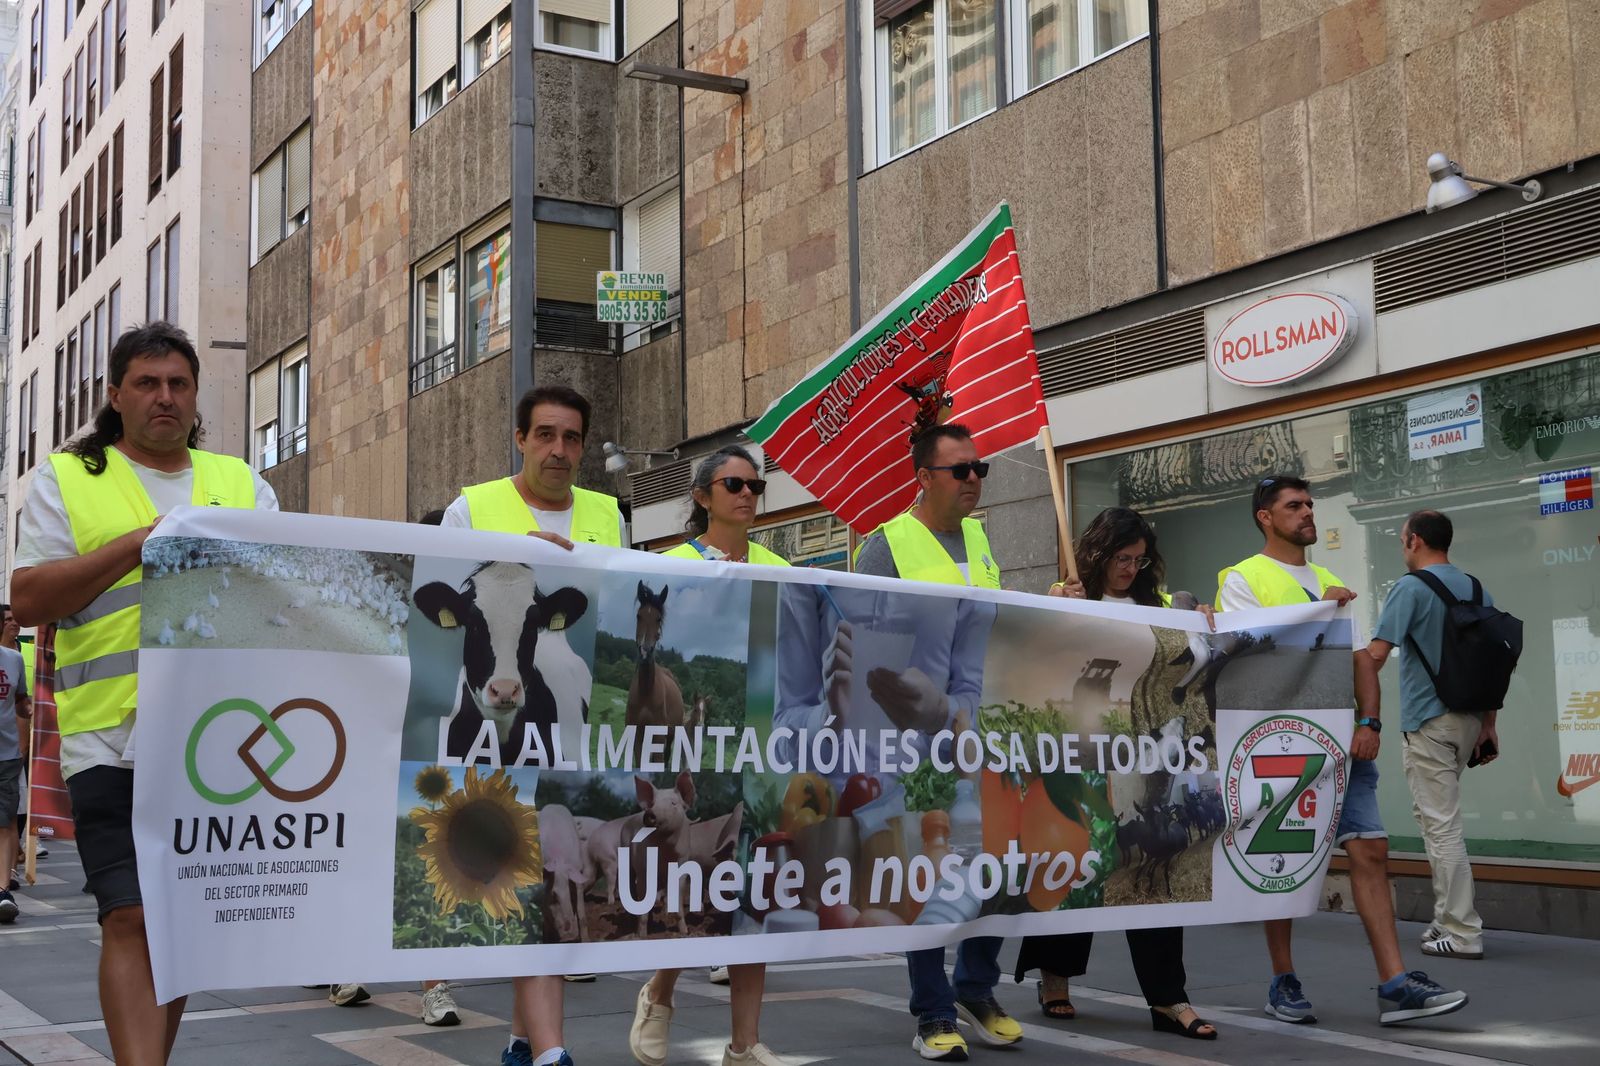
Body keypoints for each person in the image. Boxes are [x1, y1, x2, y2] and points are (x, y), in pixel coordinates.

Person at [9, 323, 278, 1065]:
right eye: (148, 383)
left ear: (196, 396)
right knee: (127, 914)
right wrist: (138, 543)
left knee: (176, 919)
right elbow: (27, 599)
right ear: (115, 396)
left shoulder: (242, 484)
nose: (165, 397)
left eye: (179, 384)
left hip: (215, 741)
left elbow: (295, 587)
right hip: (109, 739)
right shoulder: (66, 479)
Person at [1216, 476, 1467, 1026]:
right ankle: (1283, 980)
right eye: (1294, 506)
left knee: (1371, 851)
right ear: (1265, 516)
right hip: (1277, 748)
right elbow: (1243, 657)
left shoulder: (1330, 578)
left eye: (1309, 504)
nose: (1308, 512)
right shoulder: (1242, 578)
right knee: (1277, 864)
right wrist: (1315, 614)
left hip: (1342, 745)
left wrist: (1371, 720)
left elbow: (1361, 661)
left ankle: (1395, 984)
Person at [441, 384, 623, 1066]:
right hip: (494, 721)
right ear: (519, 438)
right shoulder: (472, 508)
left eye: (572, 437)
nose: (559, 450)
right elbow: (442, 589)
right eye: (545, 434)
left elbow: (610, 603)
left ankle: (524, 1044)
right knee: (527, 873)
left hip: (569, 717)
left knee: (542, 871)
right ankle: (548, 1052)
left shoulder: (607, 512)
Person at [848, 424, 1020, 1062]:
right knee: (927, 866)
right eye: (960, 470)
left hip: (981, 732)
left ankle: (977, 987)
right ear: (923, 478)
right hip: (913, 740)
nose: (974, 479)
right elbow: (867, 648)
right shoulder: (886, 546)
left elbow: (994, 629)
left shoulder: (978, 538)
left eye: (979, 469)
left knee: (998, 862)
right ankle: (932, 1009)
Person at [1018, 508, 1216, 1040]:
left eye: (1139, 560)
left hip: (1146, 752)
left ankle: (1168, 996)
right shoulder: (1069, 595)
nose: (1130, 569)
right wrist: (1052, 611)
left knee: (1154, 856)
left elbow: (1186, 669)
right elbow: (1036, 660)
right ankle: (1055, 974)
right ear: (1098, 554)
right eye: (1121, 559)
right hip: (1082, 746)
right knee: (1080, 861)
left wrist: (1201, 630)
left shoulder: (1159, 608)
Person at [630, 445, 790, 1066]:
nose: (747, 494)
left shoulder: (780, 565)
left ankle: (744, 1045)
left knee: (752, 892)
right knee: (691, 882)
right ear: (701, 496)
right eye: (733, 484)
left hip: (759, 744)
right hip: (692, 759)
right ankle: (660, 993)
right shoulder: (670, 565)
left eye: (756, 485)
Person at [1358, 509, 1496, 961]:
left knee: (1441, 827)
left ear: (1415, 541)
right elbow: (1493, 662)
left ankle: (1462, 932)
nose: (1403, 548)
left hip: (1430, 721)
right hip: (1469, 719)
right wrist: (1488, 724)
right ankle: (1445, 919)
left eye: (1402, 540)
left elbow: (1376, 655)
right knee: (1433, 819)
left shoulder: (1410, 588)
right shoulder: (1476, 587)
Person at [0, 604, 32, 920]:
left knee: (7, 821)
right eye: (6, 619)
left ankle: (2, 890)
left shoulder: (15, 659)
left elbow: (20, 702)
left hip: (6, 755)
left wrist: (34, 710)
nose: (13, 624)